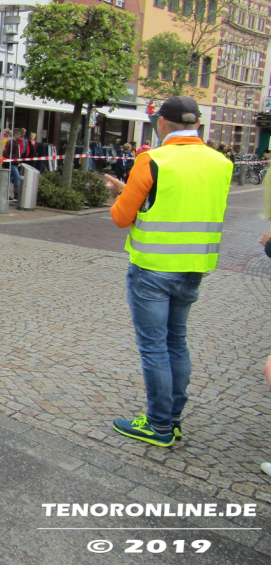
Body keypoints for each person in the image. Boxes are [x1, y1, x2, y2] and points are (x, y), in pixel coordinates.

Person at [103, 96, 233, 447]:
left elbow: (121, 218)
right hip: (195, 267)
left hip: (153, 267)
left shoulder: (153, 160)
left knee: (154, 347)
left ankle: (158, 424)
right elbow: (183, 202)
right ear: (197, 123)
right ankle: (172, 419)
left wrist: (122, 194)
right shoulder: (221, 162)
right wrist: (133, 192)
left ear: (161, 123)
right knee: (177, 341)